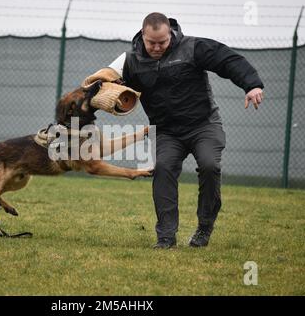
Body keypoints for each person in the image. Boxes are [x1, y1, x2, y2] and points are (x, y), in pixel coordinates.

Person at [82, 12, 264, 249]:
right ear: (142, 36)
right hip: (167, 131)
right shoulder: (130, 60)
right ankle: (166, 237)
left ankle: (204, 227)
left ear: (170, 34)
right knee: (164, 170)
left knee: (210, 165)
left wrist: (252, 84)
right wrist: (97, 90)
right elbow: (99, 80)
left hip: (203, 124)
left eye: (162, 42)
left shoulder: (193, 47)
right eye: (151, 43)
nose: (157, 47)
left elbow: (227, 60)